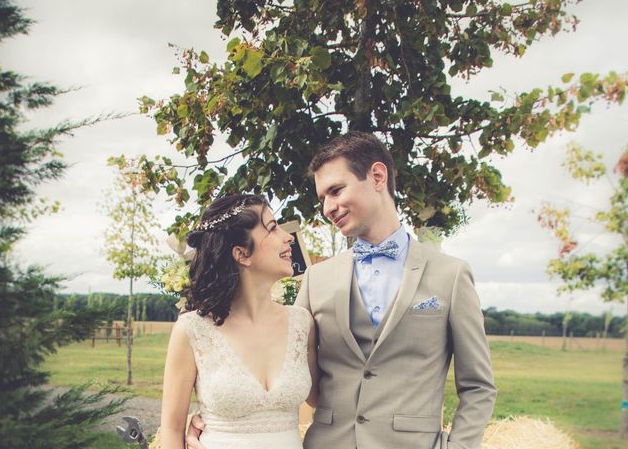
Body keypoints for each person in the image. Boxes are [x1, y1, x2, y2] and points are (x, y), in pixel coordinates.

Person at [188, 132, 496, 449]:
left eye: (335, 191)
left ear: (377, 176)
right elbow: (279, 365)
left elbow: (478, 386)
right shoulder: (317, 278)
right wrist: (217, 422)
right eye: (322, 198)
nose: (327, 208)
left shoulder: (452, 275)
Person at [160, 194, 319, 449]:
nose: (287, 236)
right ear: (242, 254)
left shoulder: (302, 323)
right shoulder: (192, 330)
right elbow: (171, 429)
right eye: (272, 227)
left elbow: (325, 398)